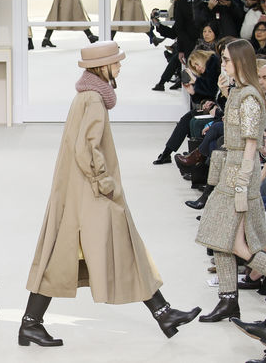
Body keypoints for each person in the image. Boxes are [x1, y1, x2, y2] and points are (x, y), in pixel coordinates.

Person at [20, 41, 201, 347]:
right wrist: (104, 183)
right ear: (103, 66)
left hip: (80, 193)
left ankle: (163, 312)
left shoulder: (88, 96)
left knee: (86, 251)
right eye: (116, 62)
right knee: (77, 253)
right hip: (91, 194)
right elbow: (86, 149)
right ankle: (30, 323)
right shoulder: (92, 99)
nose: (119, 66)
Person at [195, 39, 266, 324]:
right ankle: (228, 301)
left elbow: (251, 141)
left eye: (226, 59)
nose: (222, 64)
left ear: (239, 61)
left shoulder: (249, 96)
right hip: (233, 168)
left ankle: (229, 300)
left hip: (240, 171)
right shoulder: (240, 93)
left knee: (238, 244)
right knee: (222, 239)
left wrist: (242, 179)